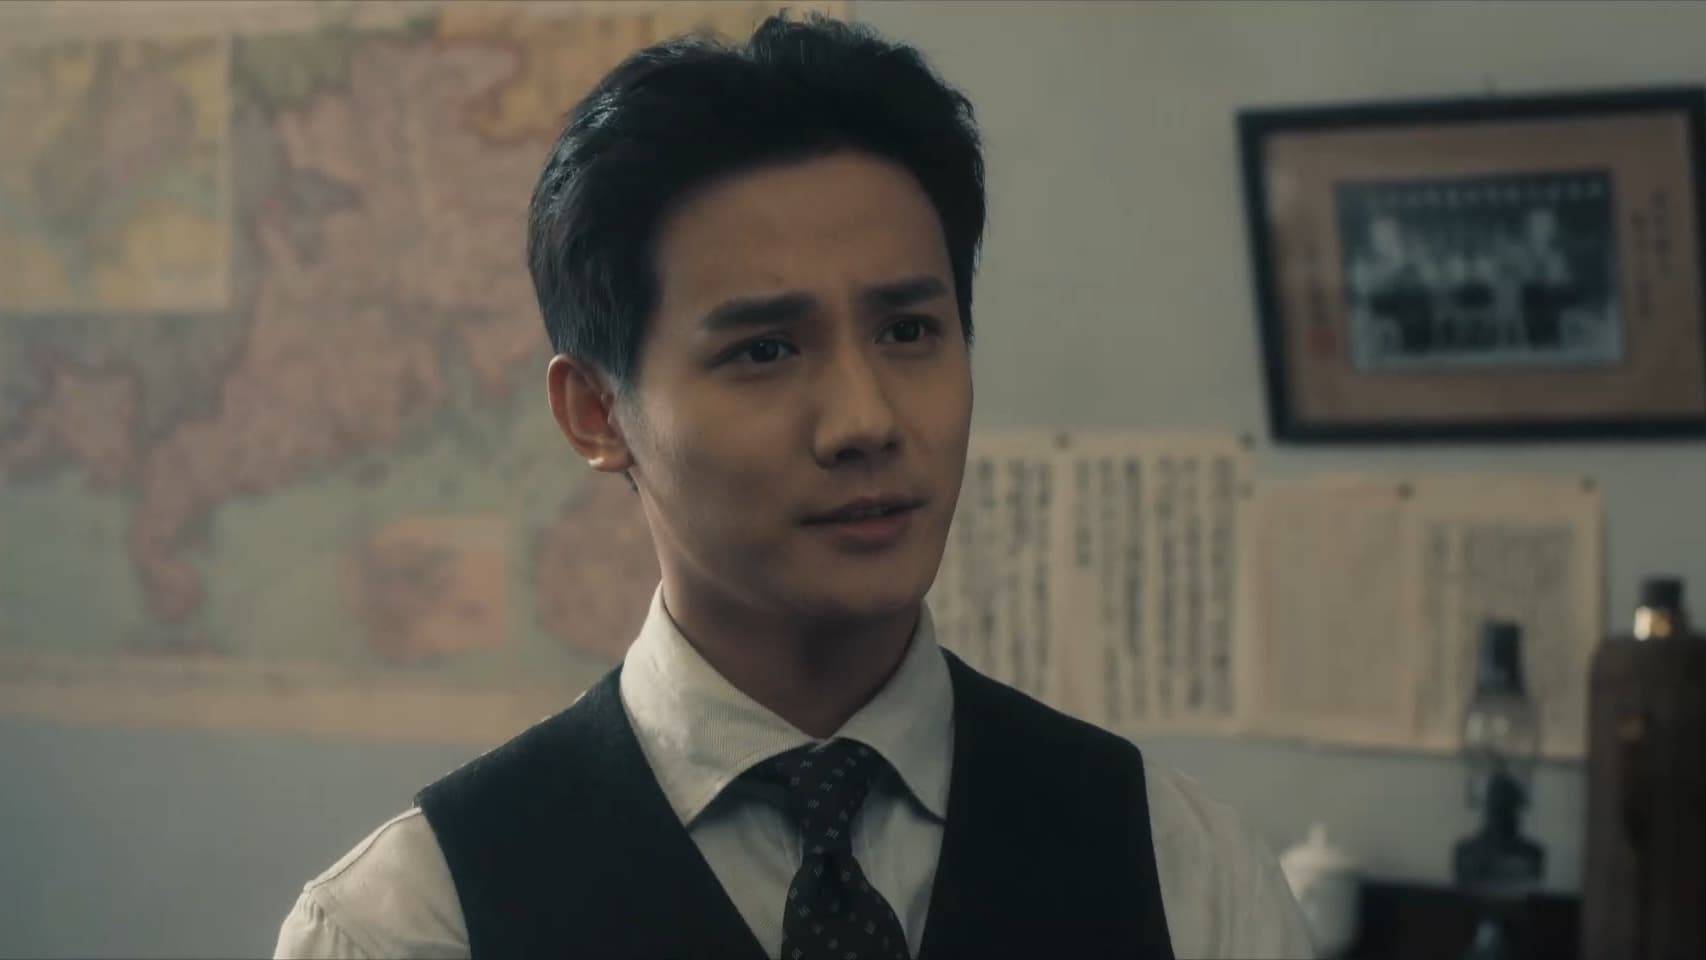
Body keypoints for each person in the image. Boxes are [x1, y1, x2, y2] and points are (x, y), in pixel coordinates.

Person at [273, 13, 1314, 960]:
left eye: (908, 331)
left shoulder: (1185, 876)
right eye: (764, 350)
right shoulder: (410, 926)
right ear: (596, 413)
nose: (865, 421)